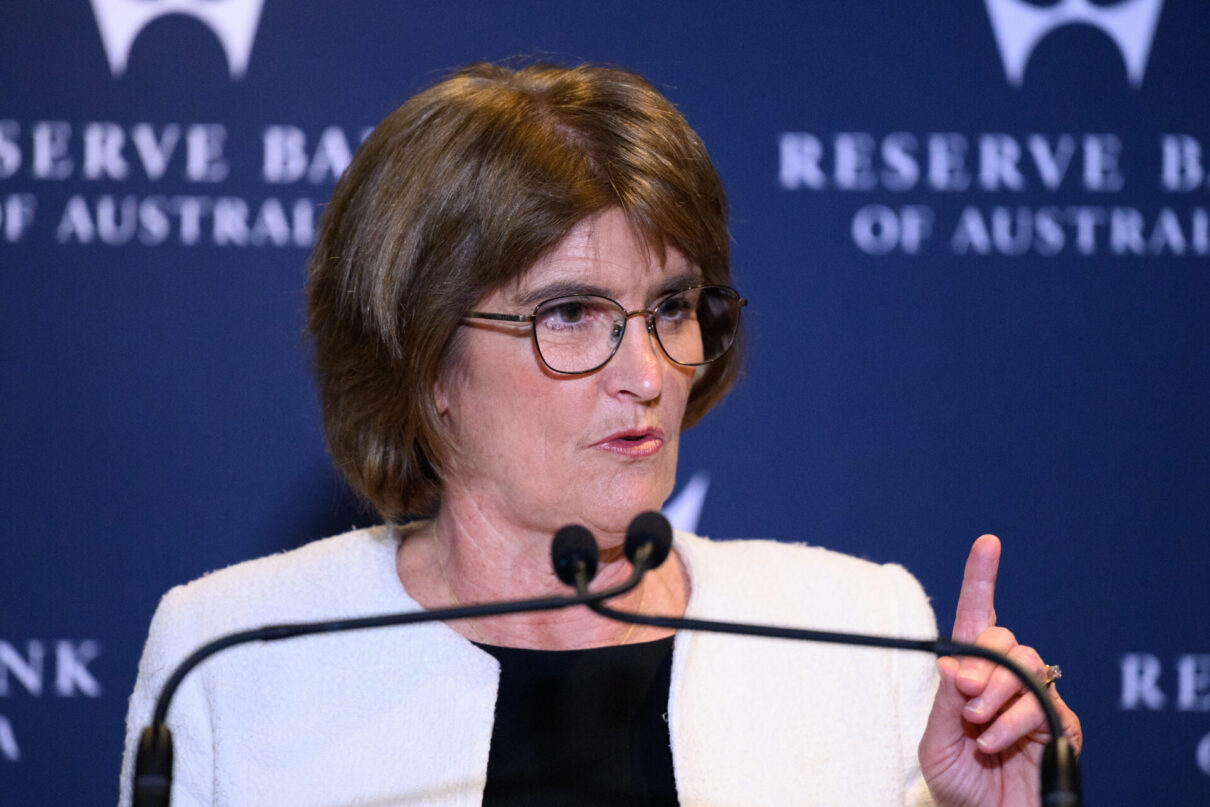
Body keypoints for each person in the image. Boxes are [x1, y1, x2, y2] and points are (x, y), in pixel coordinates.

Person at [120, 62, 1081, 806]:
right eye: (572, 313)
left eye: (672, 308)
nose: (649, 374)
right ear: (427, 365)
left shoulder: (859, 635)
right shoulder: (232, 659)